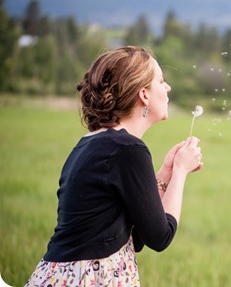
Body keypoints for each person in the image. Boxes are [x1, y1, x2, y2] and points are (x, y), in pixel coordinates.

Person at [25, 46, 203, 286]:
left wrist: (164, 174)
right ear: (144, 95)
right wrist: (181, 171)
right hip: (88, 279)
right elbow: (160, 237)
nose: (168, 87)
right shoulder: (128, 149)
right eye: (161, 81)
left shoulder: (91, 143)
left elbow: (136, 237)